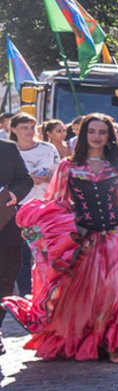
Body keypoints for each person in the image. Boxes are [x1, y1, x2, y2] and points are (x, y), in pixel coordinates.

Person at [2, 115, 118, 362]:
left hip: (115, 235)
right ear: (84, 134)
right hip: (83, 236)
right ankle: (82, 340)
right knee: (82, 292)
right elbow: (57, 201)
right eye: (92, 131)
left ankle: (110, 341)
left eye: (102, 132)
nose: (97, 136)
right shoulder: (68, 166)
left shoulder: (117, 166)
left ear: (109, 136)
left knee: (113, 291)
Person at [9, 114, 60, 298]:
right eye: (24, 128)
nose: (29, 132)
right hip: (19, 207)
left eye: (32, 127)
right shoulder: (9, 151)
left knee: (46, 252)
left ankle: (47, 292)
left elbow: (60, 174)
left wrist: (48, 178)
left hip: (45, 206)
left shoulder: (48, 149)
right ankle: (26, 293)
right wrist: (26, 180)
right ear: (13, 129)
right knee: (21, 254)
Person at [0, 133, 35, 346]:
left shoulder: (7, 148)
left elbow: (25, 179)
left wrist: (14, 194)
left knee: (4, 280)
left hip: (4, 227)